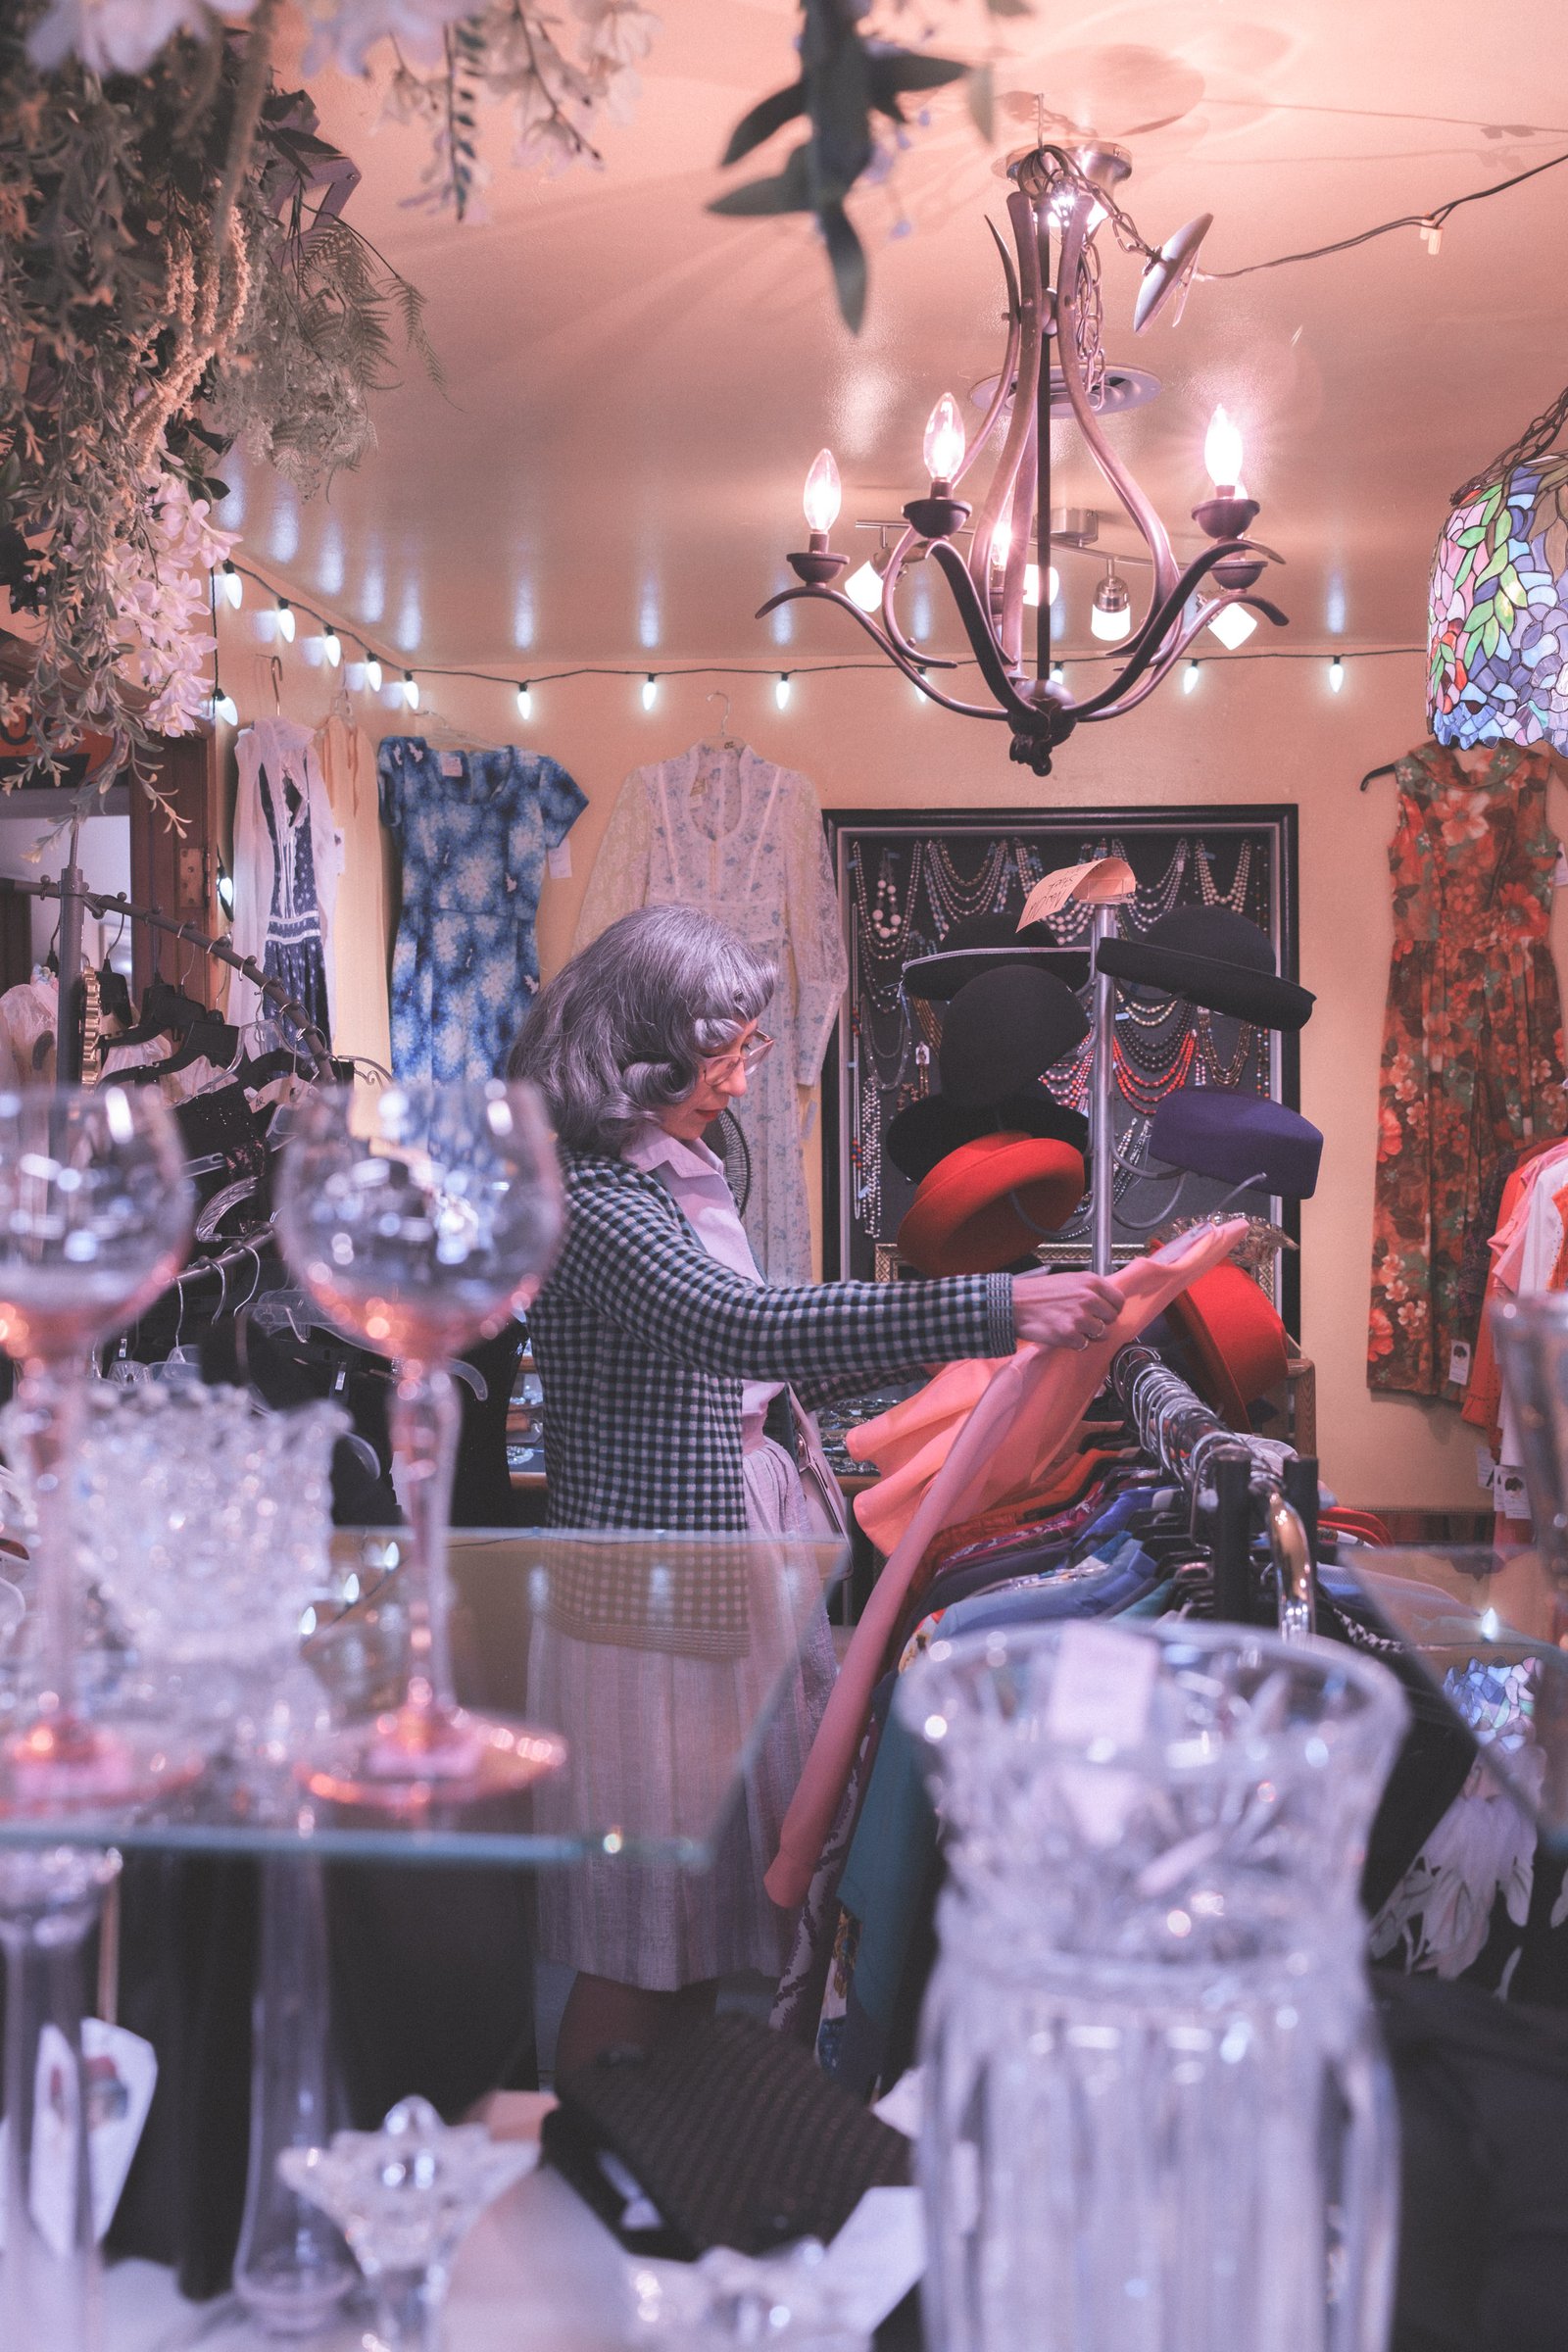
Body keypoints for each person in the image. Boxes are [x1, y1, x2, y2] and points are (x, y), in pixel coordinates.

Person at [511, 905, 1118, 2076]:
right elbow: (731, 1324)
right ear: (642, 1048)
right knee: (638, 1939)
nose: (738, 1082)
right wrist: (991, 1308)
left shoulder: (668, 1168)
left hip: (704, 1565)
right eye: (721, 1054)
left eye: (744, 1052)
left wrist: (967, 1344)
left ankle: (667, 2165)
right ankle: (590, 2181)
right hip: (645, 1598)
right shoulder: (590, 1194)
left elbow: (763, 1341)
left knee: (695, 1931)